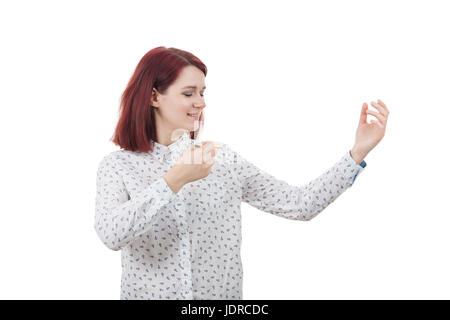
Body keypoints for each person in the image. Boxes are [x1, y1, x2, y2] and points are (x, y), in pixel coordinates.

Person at [94, 46, 389, 300]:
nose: (201, 102)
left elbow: (300, 204)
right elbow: (111, 235)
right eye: (188, 93)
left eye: (202, 92)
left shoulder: (224, 161)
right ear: (154, 97)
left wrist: (357, 153)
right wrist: (174, 181)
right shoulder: (117, 166)